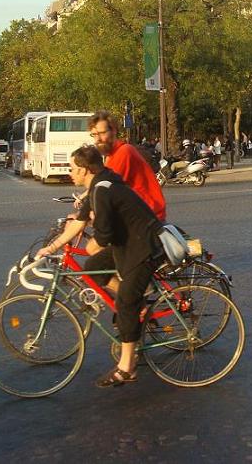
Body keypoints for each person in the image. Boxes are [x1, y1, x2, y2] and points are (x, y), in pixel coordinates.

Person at [66, 145, 162, 387]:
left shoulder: (102, 189)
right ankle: (136, 303)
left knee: (125, 303)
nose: (69, 173)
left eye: (72, 169)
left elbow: (104, 235)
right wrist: (50, 247)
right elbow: (79, 222)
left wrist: (93, 242)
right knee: (93, 266)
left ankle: (127, 367)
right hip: (128, 243)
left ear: (85, 170)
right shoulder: (99, 185)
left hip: (143, 246)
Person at [37, 111, 166, 256]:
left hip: (147, 214)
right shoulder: (111, 155)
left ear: (114, 130)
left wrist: (82, 214)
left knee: (95, 248)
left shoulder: (124, 152)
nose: (98, 139)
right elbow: (100, 183)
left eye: (102, 133)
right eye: (94, 134)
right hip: (131, 213)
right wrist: (84, 204)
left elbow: (104, 187)